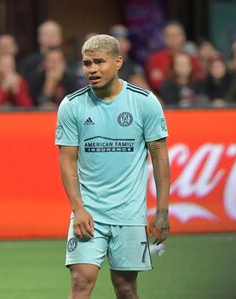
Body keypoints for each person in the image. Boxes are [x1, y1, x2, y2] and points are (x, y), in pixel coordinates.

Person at [55, 34, 170, 299]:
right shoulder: (72, 105)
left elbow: (160, 157)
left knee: (126, 288)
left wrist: (162, 210)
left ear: (118, 62)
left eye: (99, 62)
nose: (92, 69)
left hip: (129, 214)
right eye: (86, 63)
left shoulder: (145, 102)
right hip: (89, 212)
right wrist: (78, 209)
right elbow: (67, 161)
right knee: (81, 281)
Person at [145, 21, 204, 94]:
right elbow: (155, 84)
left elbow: (198, 82)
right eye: (169, 36)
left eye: (176, 35)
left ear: (183, 37)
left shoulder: (192, 59)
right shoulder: (155, 59)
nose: (173, 39)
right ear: (164, 38)